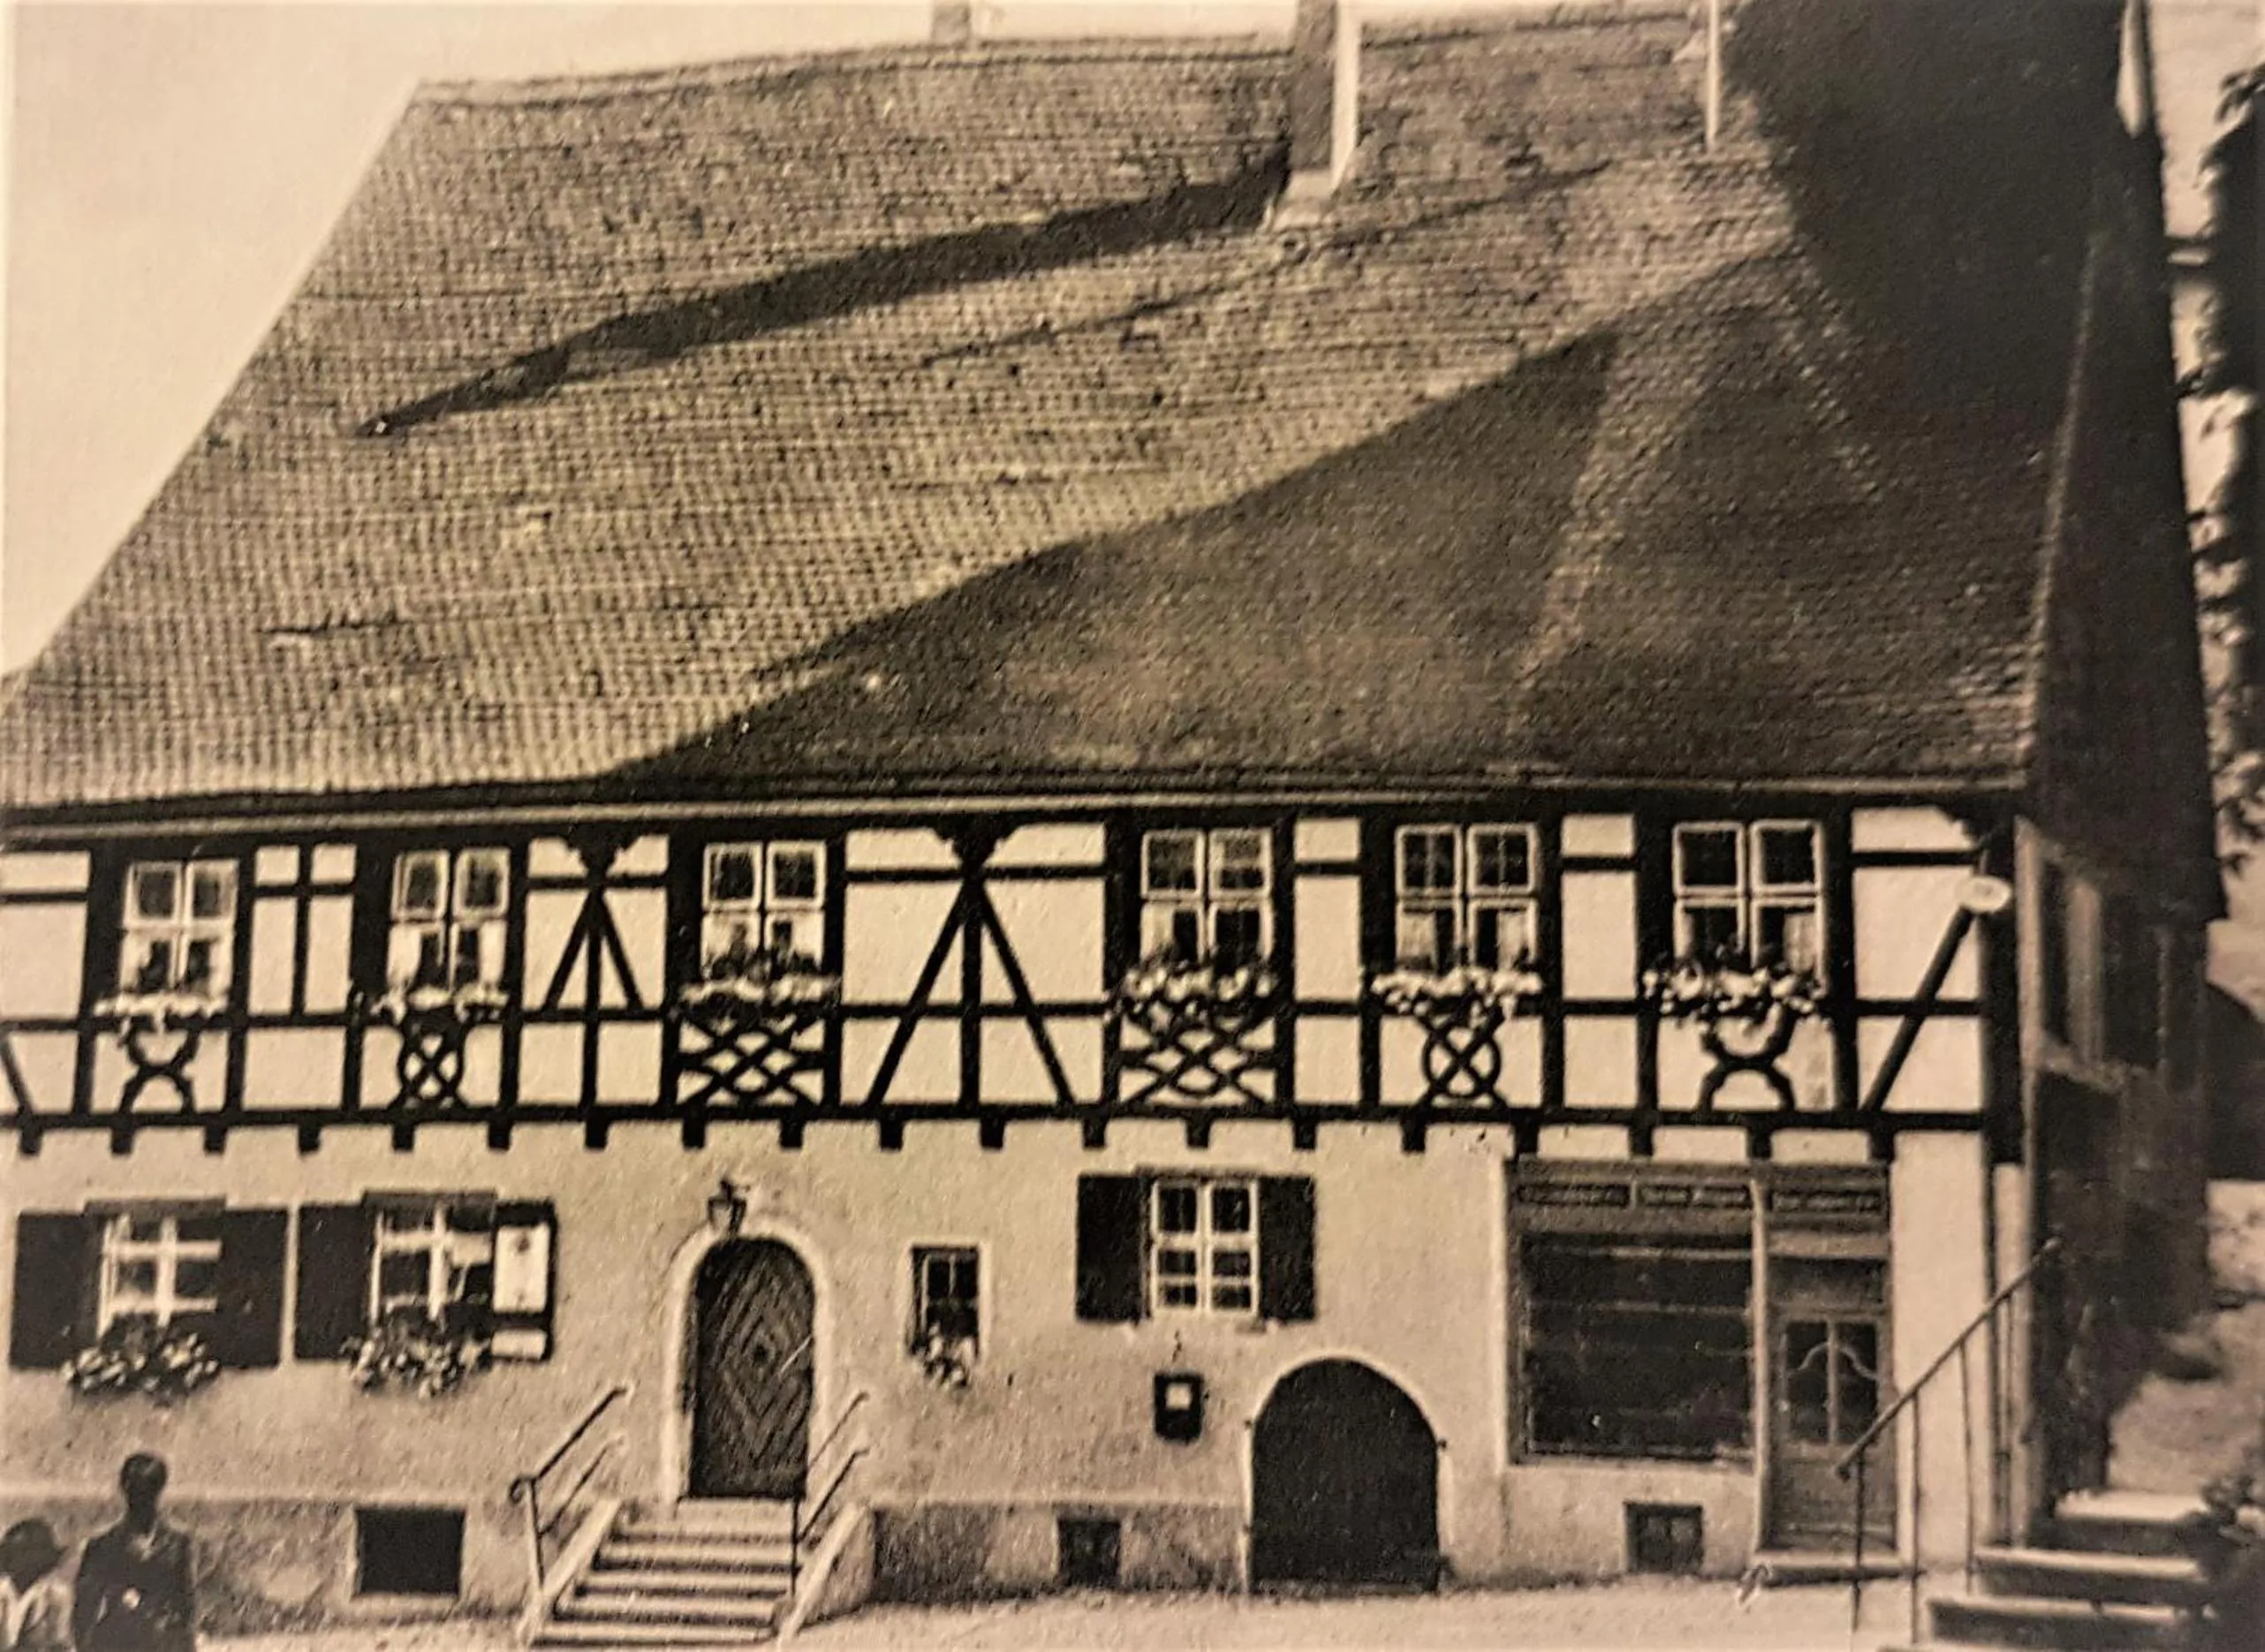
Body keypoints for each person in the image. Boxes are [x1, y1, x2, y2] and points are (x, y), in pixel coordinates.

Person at [71, 1456, 193, 1652]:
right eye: (136, 1491)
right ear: (125, 1490)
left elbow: (184, 1607)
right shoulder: (103, 1545)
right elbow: (83, 1611)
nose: (141, 1500)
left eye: (148, 1491)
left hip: (162, 1643)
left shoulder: (176, 1544)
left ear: (158, 1491)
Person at [0, 1519, 71, 1650]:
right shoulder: (2, 1591)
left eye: (25, 1554)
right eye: (11, 1554)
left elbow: (61, 1641)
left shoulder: (55, 1595)